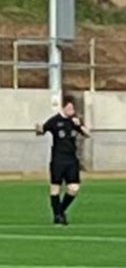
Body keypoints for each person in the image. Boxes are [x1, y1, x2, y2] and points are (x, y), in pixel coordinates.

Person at [35, 94, 90, 226]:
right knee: (55, 188)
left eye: (73, 109)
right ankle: (57, 217)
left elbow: (88, 134)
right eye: (69, 108)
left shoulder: (75, 121)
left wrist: (80, 125)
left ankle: (61, 211)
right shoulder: (55, 120)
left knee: (74, 188)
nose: (71, 111)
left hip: (72, 160)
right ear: (64, 107)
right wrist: (38, 128)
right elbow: (41, 131)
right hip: (58, 159)